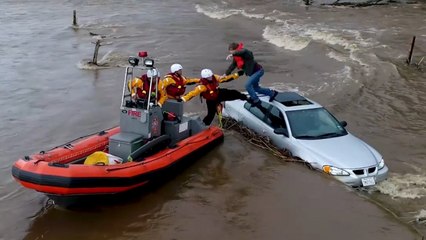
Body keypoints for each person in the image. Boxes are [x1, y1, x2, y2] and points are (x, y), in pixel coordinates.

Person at [180, 68, 246, 125]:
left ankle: (246, 98)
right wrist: (183, 99)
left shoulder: (214, 77)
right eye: (209, 77)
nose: (210, 77)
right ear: (205, 78)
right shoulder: (202, 86)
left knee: (234, 93)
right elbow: (192, 93)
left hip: (218, 93)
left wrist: (237, 74)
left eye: (211, 76)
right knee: (210, 115)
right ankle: (204, 126)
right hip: (211, 100)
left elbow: (225, 79)